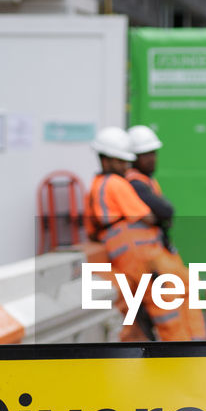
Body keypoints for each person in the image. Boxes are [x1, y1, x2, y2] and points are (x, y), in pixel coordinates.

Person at [84, 126, 191, 342]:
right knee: (164, 304)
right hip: (138, 256)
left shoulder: (97, 185)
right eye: (121, 161)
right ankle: (177, 352)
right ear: (106, 160)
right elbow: (150, 216)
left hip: (123, 256)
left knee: (135, 311)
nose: (126, 166)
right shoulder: (117, 184)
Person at [126, 125, 206, 340]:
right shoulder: (135, 183)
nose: (152, 159)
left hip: (157, 252)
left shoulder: (146, 182)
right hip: (147, 258)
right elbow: (165, 210)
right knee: (170, 303)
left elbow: (164, 213)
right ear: (133, 158)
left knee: (185, 291)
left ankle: (193, 342)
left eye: (153, 154)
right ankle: (180, 348)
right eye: (146, 155)